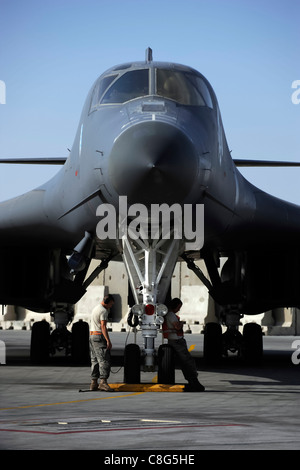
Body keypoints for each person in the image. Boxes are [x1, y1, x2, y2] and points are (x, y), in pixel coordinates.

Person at [163, 298, 205, 392]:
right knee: (187, 361)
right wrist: (181, 323)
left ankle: (193, 381)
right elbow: (177, 326)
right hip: (177, 341)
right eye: (179, 307)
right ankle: (193, 381)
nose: (179, 309)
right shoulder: (171, 315)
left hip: (174, 340)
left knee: (185, 361)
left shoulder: (169, 314)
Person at [89, 294, 114, 392]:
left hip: (92, 336)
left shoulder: (96, 308)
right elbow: (103, 326)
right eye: (111, 304)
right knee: (104, 360)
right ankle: (103, 382)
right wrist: (108, 340)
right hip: (99, 336)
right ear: (107, 303)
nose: (111, 306)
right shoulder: (103, 311)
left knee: (94, 360)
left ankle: (93, 383)